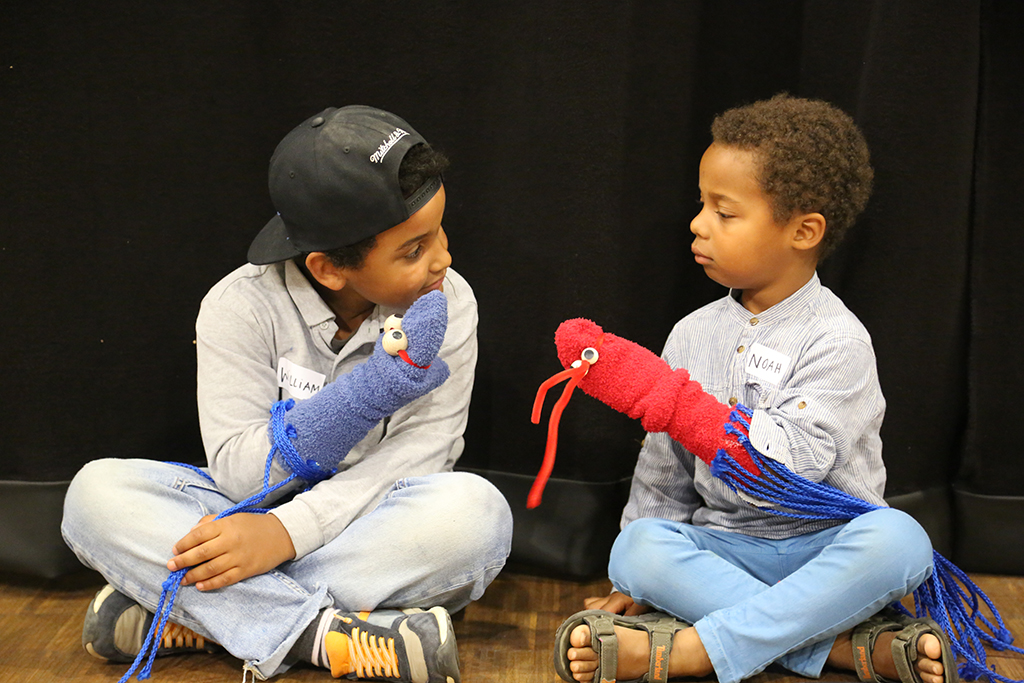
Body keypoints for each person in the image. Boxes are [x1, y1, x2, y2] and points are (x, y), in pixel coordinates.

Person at [62, 105, 514, 681]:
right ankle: (322, 637)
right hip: (247, 511)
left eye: (440, 232)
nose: (443, 260)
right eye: (413, 250)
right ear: (328, 268)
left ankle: (198, 616)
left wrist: (287, 535)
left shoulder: (448, 301)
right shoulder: (238, 305)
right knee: (94, 495)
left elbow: (424, 454)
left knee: (476, 517)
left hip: (368, 518)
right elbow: (241, 477)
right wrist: (272, 522)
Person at [554, 95, 956, 683]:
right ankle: (835, 648)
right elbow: (663, 471)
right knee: (636, 548)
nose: (698, 223)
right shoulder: (692, 332)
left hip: (824, 556)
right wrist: (629, 582)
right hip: (723, 553)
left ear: (803, 230)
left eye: (725, 212)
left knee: (901, 540)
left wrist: (691, 409)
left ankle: (696, 649)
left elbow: (788, 466)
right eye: (701, 204)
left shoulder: (838, 340)